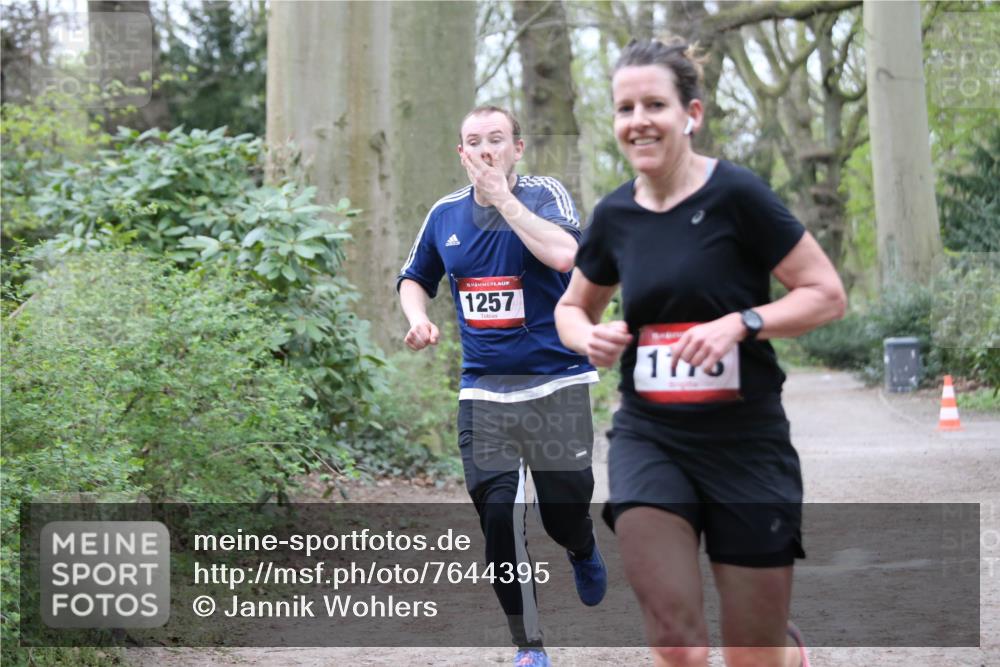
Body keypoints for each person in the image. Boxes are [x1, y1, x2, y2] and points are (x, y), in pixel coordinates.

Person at [554, 39, 846, 667]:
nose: (639, 120)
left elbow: (826, 295)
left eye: (654, 104)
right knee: (677, 642)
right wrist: (588, 338)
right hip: (651, 439)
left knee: (754, 657)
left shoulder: (738, 196)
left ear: (692, 112)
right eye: (624, 107)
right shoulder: (614, 216)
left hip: (746, 444)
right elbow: (572, 307)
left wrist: (741, 322)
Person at [397, 105, 607, 667]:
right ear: (460, 154)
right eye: (473, 142)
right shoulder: (444, 214)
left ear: (518, 147)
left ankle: (581, 545)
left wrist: (504, 201)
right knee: (498, 516)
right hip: (484, 393)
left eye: (496, 139)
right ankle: (529, 646)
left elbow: (566, 255)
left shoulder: (546, 196)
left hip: (555, 385)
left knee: (563, 511)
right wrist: (416, 317)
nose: (485, 150)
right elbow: (415, 277)